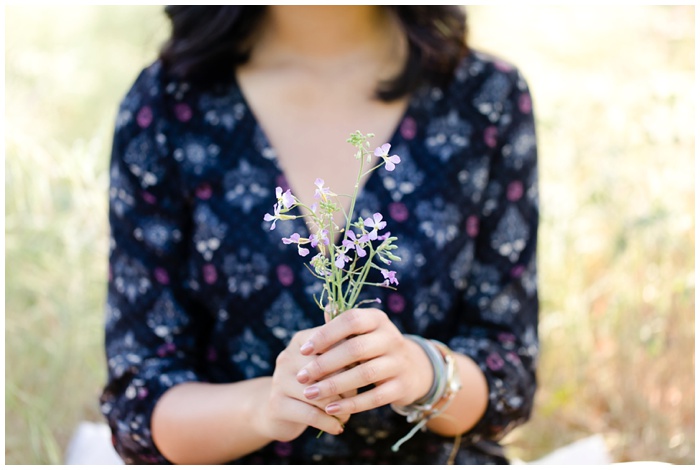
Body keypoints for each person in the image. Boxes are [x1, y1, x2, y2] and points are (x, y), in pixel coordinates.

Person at [100, 5, 539, 465]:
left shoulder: (486, 97)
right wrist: (264, 406)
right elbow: (140, 401)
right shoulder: (168, 104)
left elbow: (507, 373)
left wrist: (421, 372)